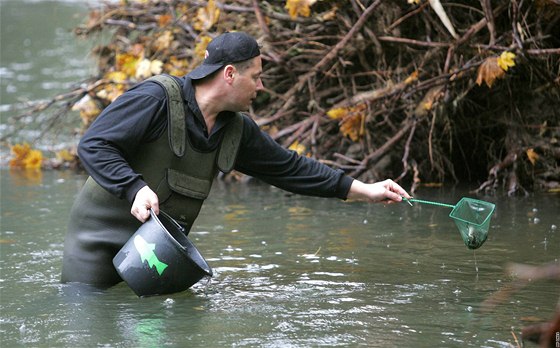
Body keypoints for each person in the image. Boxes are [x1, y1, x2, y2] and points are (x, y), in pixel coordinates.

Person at [61, 31, 411, 287]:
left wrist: (365, 190)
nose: (261, 88)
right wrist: (134, 188)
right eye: (256, 77)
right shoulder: (155, 99)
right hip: (98, 248)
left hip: (155, 257)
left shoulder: (236, 130)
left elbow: (291, 169)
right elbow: (94, 144)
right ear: (230, 74)